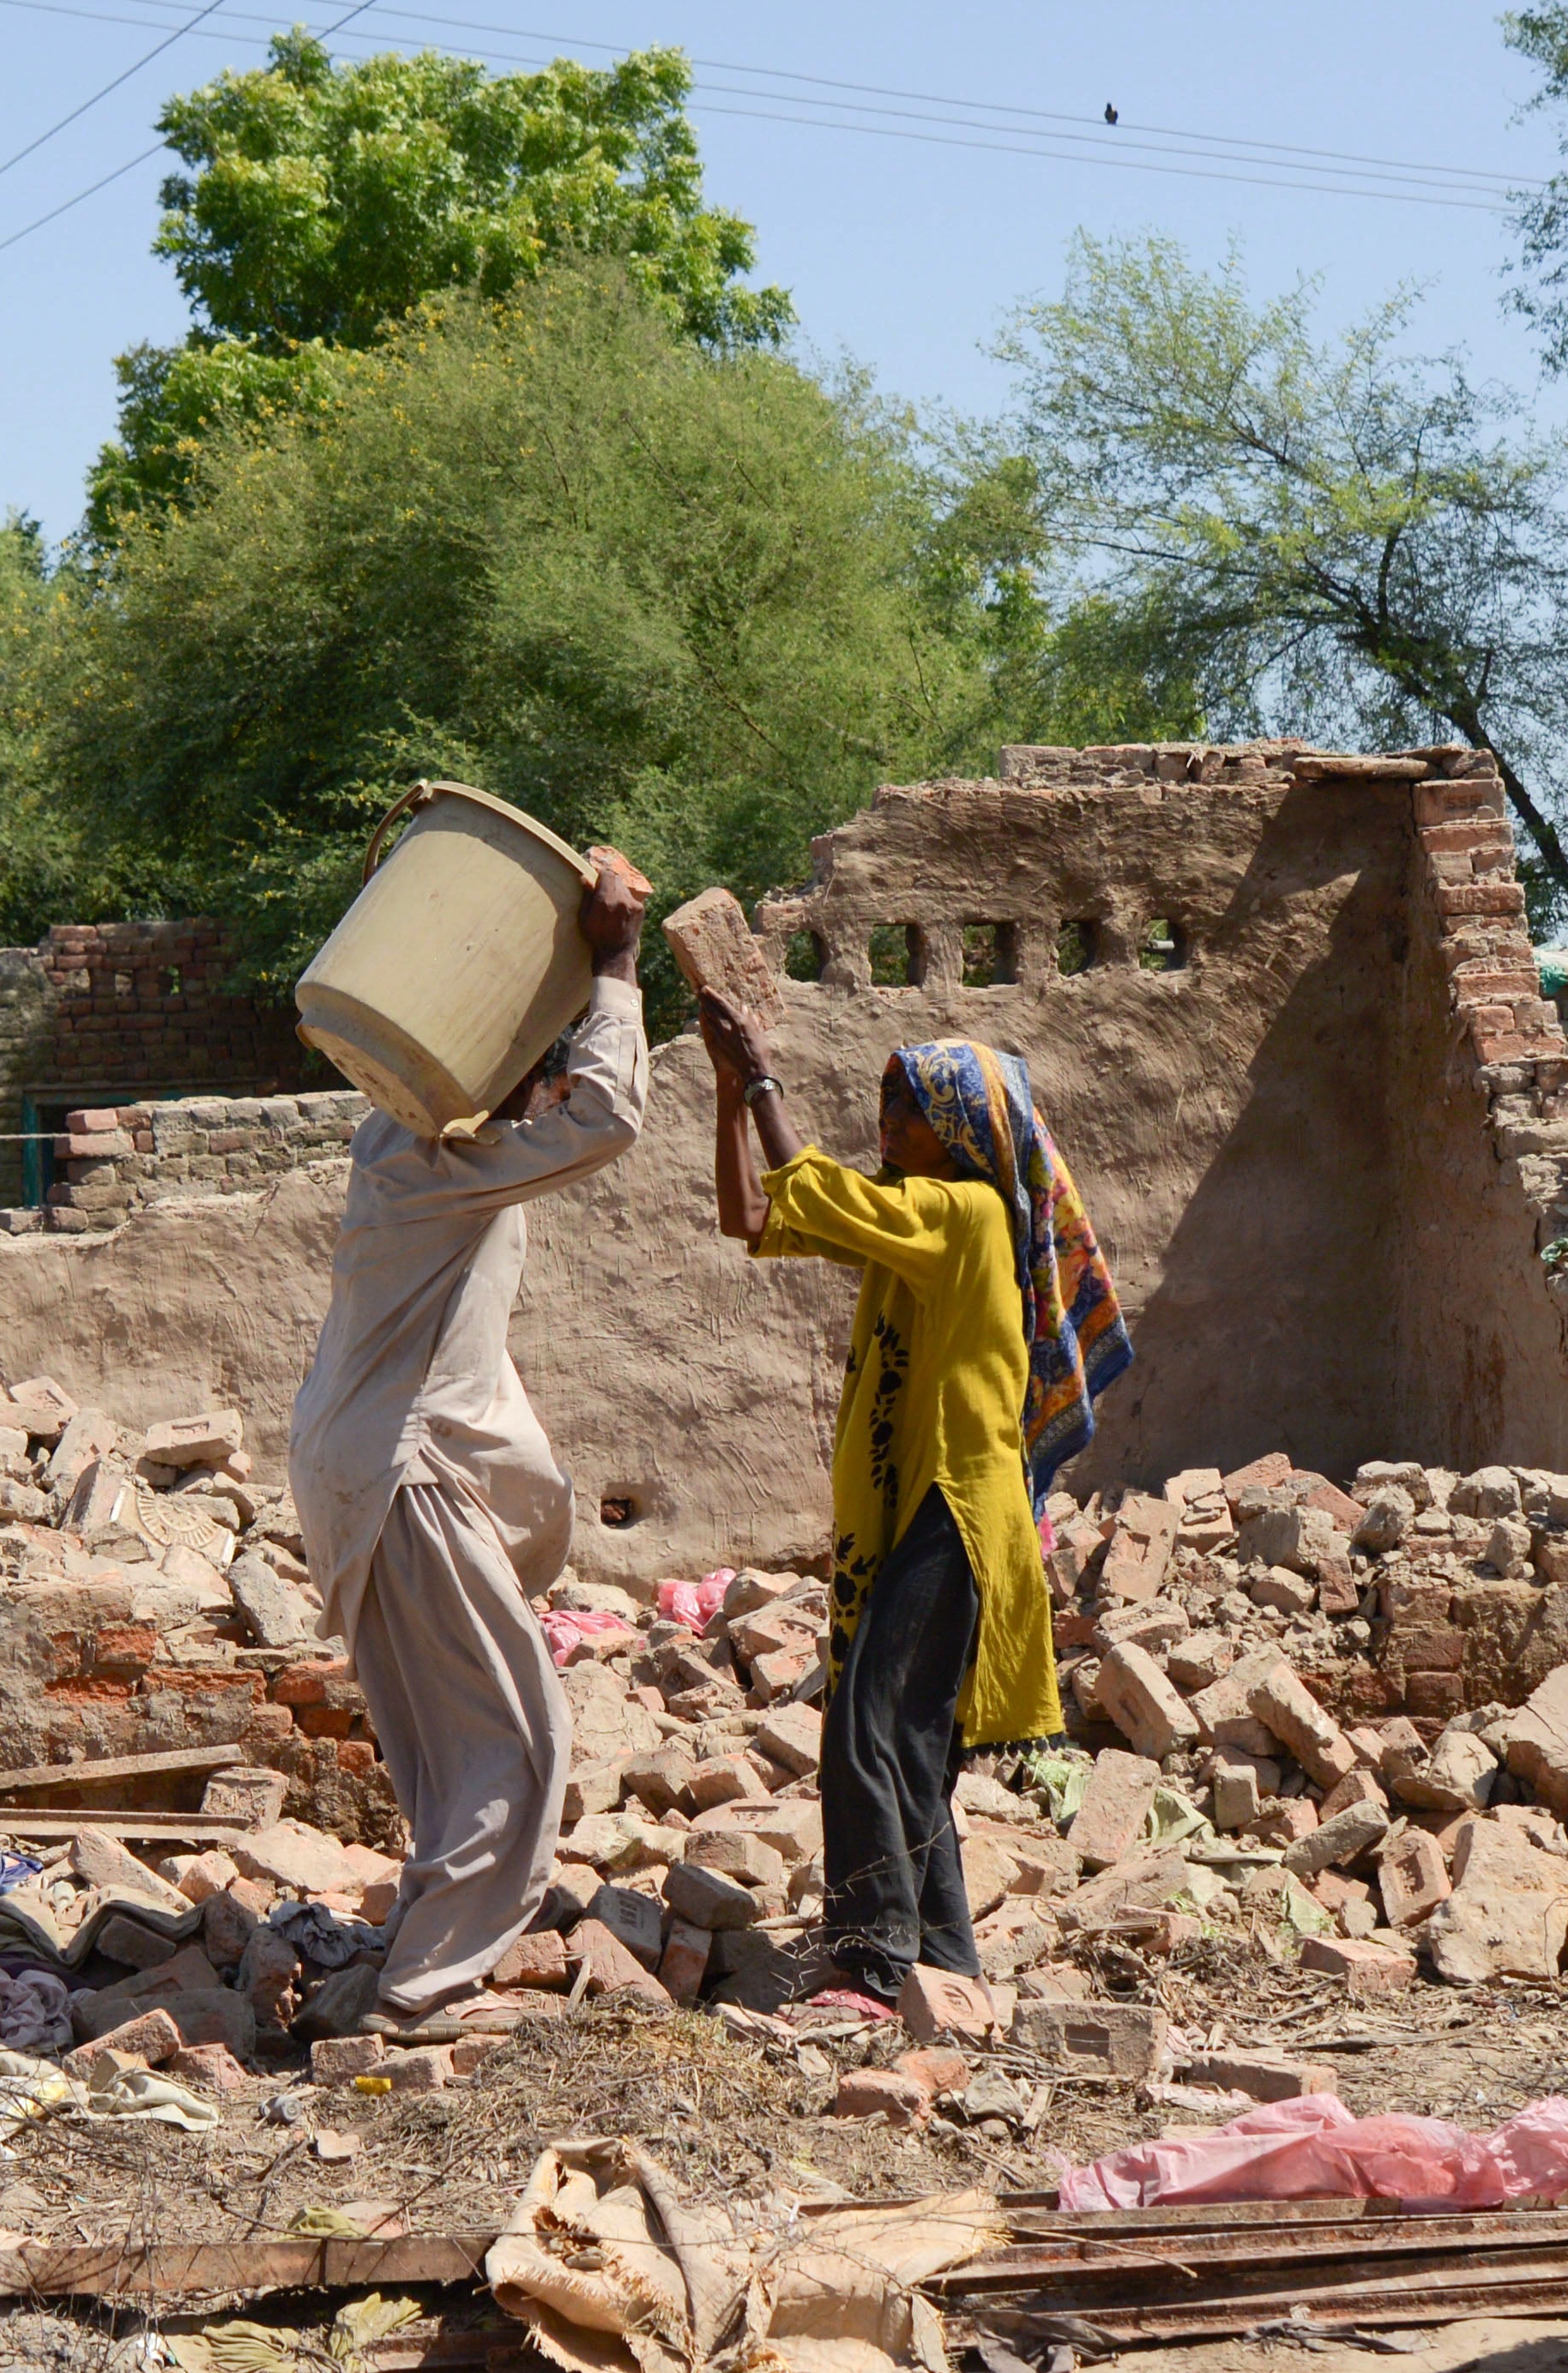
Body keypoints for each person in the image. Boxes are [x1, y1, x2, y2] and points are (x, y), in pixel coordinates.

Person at [695, 990, 1130, 2013]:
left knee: (867, 1719)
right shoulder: (911, 1221)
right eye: (883, 1107)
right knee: (909, 1736)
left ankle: (876, 1958)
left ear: (962, 1130)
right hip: (921, 1508)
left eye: (906, 1110)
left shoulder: (964, 1214)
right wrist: (728, 1098)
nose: (885, 1127)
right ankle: (941, 1959)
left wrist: (761, 1078)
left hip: (957, 1504)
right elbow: (753, 1213)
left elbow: (808, 1185)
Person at [284, 846, 654, 2039]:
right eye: (528, 1058)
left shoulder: (408, 1149)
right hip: (404, 1473)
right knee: (518, 1733)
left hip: (369, 1463)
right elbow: (607, 1118)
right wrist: (617, 968)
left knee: (450, 1730)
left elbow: (558, 1115)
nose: (543, 1083)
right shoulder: (436, 1162)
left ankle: (424, 1940)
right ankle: (423, 1990)